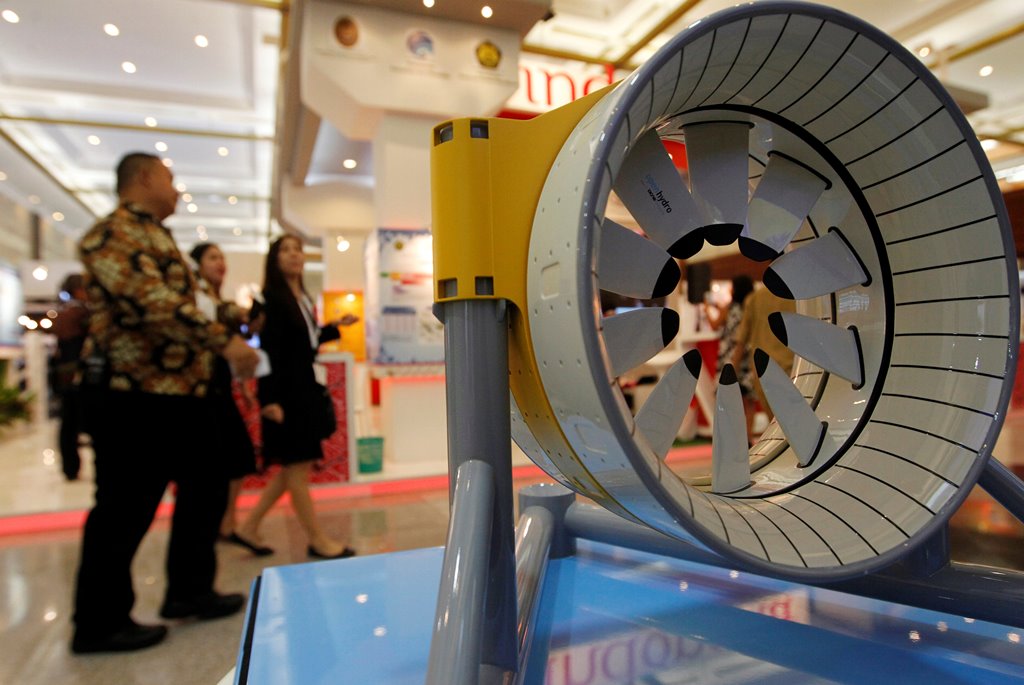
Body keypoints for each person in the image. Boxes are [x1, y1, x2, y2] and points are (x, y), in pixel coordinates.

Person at [71, 152, 259, 654]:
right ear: (147, 178)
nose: (177, 190)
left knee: (206, 489)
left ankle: (190, 592)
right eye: (172, 180)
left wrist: (236, 317)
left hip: (183, 395)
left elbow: (193, 298)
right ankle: (98, 622)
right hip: (134, 396)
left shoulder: (158, 236)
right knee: (125, 507)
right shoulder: (111, 234)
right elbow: (152, 301)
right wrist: (223, 341)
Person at [233, 234, 359, 559]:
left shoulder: (301, 296)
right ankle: (317, 539)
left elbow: (307, 341)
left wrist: (333, 327)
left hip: (303, 392)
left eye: (298, 250)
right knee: (297, 468)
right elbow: (270, 354)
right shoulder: (271, 300)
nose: (293, 256)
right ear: (274, 259)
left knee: (293, 468)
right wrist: (270, 400)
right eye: (285, 250)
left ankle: (249, 526)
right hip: (287, 396)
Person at [187, 243, 264, 554]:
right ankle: (220, 526)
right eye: (212, 257)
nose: (220, 263)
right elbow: (217, 320)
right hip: (201, 393)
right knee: (218, 466)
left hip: (219, 389)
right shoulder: (197, 297)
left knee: (237, 459)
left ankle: (226, 523)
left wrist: (243, 386)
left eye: (222, 257)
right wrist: (241, 313)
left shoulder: (216, 299)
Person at [732, 282, 796, 443]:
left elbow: (741, 340)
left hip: (763, 370)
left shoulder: (755, 298)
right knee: (796, 424)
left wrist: (732, 370)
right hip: (795, 368)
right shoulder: (798, 295)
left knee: (776, 426)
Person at [705, 276, 755, 442]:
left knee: (729, 399)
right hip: (748, 356)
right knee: (748, 401)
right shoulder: (751, 306)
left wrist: (706, 309)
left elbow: (714, 325)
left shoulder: (730, 307)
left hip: (730, 356)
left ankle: (733, 438)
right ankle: (748, 437)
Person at [52, 274, 89, 480]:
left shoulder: (62, 312)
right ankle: (72, 467)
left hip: (65, 374)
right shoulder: (81, 312)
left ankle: (70, 468)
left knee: (68, 423)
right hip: (80, 375)